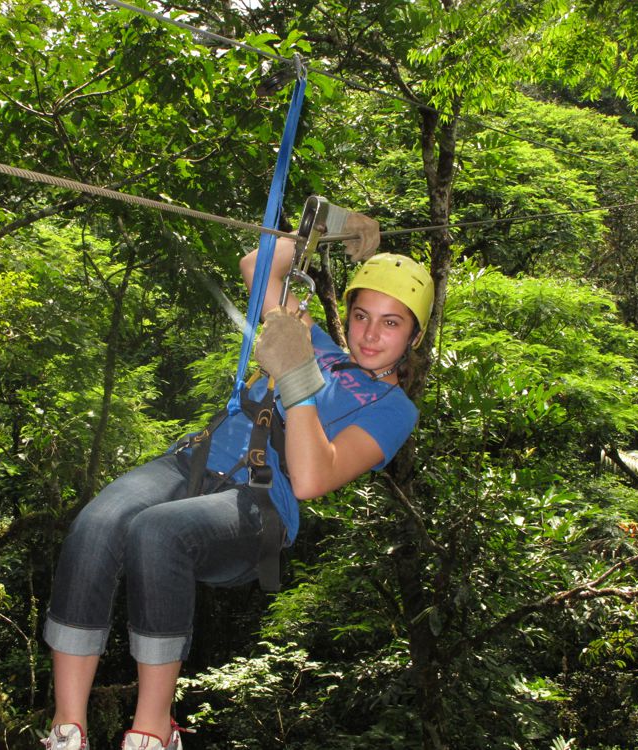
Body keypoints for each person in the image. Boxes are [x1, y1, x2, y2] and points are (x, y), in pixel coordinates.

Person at [41, 217, 435, 750]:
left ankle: (153, 731)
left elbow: (314, 478)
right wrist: (327, 226)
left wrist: (296, 377)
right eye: (362, 315)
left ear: (413, 335)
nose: (370, 334)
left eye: (391, 324)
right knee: (97, 524)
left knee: (157, 532)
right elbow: (257, 266)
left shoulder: (392, 408)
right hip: (195, 463)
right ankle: (68, 729)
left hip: (258, 502)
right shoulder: (315, 340)